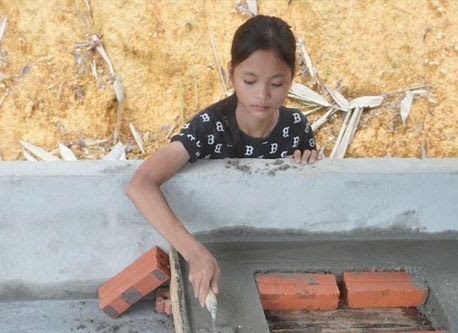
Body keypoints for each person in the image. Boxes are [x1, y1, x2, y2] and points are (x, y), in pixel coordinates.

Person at [125, 15, 321, 307]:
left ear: (292, 77)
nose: (262, 95)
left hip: (267, 255)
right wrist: (195, 254)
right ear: (231, 73)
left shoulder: (296, 128)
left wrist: (308, 161)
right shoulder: (209, 127)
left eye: (277, 83)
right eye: (250, 81)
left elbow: (310, 191)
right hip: (211, 248)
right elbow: (140, 184)